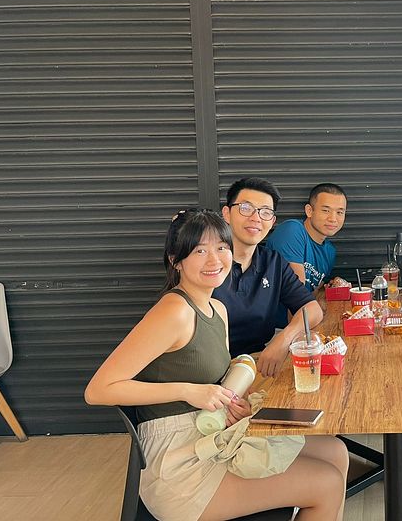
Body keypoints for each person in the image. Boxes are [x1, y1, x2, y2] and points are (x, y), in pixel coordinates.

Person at [84, 209, 348, 521]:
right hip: (179, 461)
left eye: (222, 247)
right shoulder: (174, 311)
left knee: (335, 451)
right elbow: (98, 391)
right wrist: (189, 391)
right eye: (199, 251)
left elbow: (216, 380)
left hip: (211, 432)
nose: (214, 260)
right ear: (176, 260)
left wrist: (233, 403)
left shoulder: (217, 308)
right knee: (327, 484)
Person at [213, 177, 324, 375]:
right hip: (211, 375)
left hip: (258, 364)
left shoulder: (272, 262)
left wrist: (284, 339)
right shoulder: (208, 262)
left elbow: (312, 309)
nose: (256, 218)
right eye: (246, 208)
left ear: (272, 221)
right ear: (227, 214)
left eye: (265, 212)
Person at [267, 183, 347, 292]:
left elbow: (313, 294)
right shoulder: (292, 230)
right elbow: (295, 293)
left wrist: (334, 291)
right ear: (309, 211)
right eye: (326, 210)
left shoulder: (330, 252)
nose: (333, 219)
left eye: (340, 212)